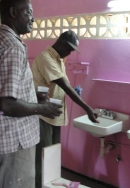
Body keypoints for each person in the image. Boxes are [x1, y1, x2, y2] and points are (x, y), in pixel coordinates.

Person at [0, 0, 63, 188]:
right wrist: (42, 108)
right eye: (28, 12)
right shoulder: (11, 46)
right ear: (13, 12)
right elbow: (5, 105)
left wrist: (31, 97)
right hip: (12, 144)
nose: (33, 18)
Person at [32, 30, 99, 188]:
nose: (70, 52)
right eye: (69, 48)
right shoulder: (45, 58)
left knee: (52, 157)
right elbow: (64, 84)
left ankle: (51, 184)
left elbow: (64, 86)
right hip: (44, 116)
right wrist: (88, 109)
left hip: (55, 115)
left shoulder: (59, 60)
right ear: (60, 42)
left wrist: (74, 91)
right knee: (43, 158)